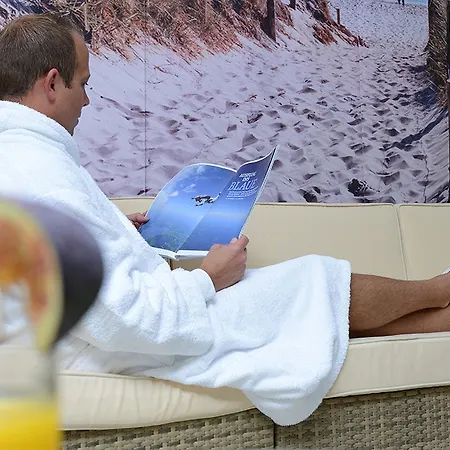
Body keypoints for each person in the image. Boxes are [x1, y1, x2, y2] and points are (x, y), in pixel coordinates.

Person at [0, 13, 449, 426]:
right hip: (109, 349)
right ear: (52, 83)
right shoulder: (42, 177)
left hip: (91, 336)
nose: (87, 99)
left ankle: (441, 313)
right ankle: (437, 290)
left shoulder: (21, 160)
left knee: (296, 304)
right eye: (83, 83)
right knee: (308, 281)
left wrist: (120, 230)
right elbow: (119, 318)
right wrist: (207, 280)